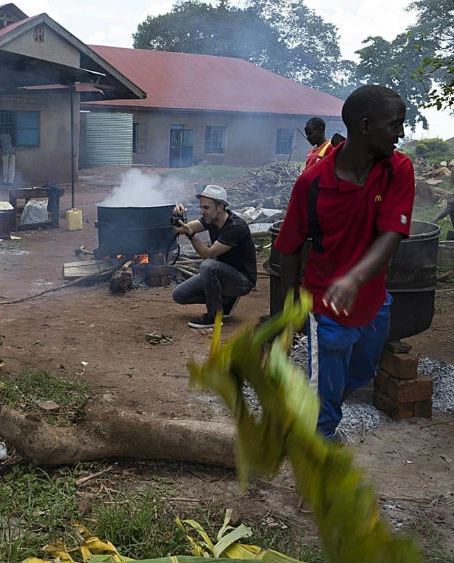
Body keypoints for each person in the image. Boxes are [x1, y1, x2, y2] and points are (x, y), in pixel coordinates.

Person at [274, 84, 415, 441]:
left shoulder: (398, 169)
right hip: (325, 306)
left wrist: (354, 279)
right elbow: (289, 249)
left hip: (374, 301)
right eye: (394, 125)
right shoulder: (312, 183)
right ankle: (316, 448)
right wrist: (288, 314)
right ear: (365, 126)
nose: (401, 133)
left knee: (362, 373)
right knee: (325, 396)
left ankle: (318, 419)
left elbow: (392, 234)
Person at [171, 185, 257, 328]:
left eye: (206, 208)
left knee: (208, 265)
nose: (202, 211)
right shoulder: (211, 220)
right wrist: (177, 216)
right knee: (179, 295)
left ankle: (214, 316)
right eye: (201, 207)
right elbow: (184, 228)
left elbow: (207, 254)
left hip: (242, 281)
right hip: (224, 275)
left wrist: (191, 235)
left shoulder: (235, 227)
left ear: (220, 207)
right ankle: (225, 300)